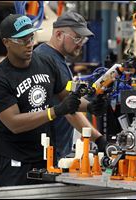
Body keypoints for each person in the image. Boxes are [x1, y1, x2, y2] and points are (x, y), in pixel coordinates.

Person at [0, 14, 106, 187]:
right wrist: (55, 111)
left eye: (31, 37)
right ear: (6, 42)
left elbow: (66, 97)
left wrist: (91, 105)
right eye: (22, 40)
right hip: (16, 163)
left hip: (45, 159)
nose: (29, 44)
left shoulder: (45, 62)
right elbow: (14, 123)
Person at [34, 11, 107, 161]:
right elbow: (67, 108)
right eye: (77, 38)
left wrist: (91, 107)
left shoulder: (57, 59)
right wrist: (98, 138)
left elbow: (69, 105)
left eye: (83, 39)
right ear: (59, 34)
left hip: (56, 147)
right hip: (47, 149)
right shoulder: (45, 59)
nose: (80, 43)